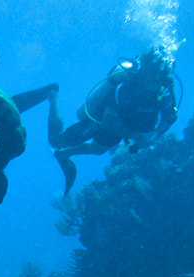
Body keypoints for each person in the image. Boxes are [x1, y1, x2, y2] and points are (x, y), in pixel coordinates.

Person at [13, 46, 179, 195]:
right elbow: (108, 122)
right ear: (143, 71)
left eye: (159, 79)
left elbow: (169, 119)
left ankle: (63, 154)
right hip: (103, 119)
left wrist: (154, 136)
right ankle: (51, 95)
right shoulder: (127, 87)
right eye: (152, 78)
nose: (155, 84)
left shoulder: (164, 92)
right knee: (56, 140)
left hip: (129, 124)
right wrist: (137, 137)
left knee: (98, 149)